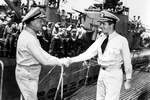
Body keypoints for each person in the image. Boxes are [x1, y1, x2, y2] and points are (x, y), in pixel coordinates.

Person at [67, 10, 132, 100]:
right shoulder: (101, 39)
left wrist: (128, 79)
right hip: (102, 73)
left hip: (114, 74)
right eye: (101, 24)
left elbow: (127, 60)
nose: (101, 26)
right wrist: (70, 60)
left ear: (111, 25)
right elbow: (88, 53)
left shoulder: (121, 40)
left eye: (103, 24)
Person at [15, 7, 68, 100]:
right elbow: (44, 60)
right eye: (40, 21)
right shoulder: (29, 39)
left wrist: (58, 60)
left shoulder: (29, 35)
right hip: (28, 76)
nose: (42, 23)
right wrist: (60, 62)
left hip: (28, 74)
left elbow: (42, 53)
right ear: (32, 22)